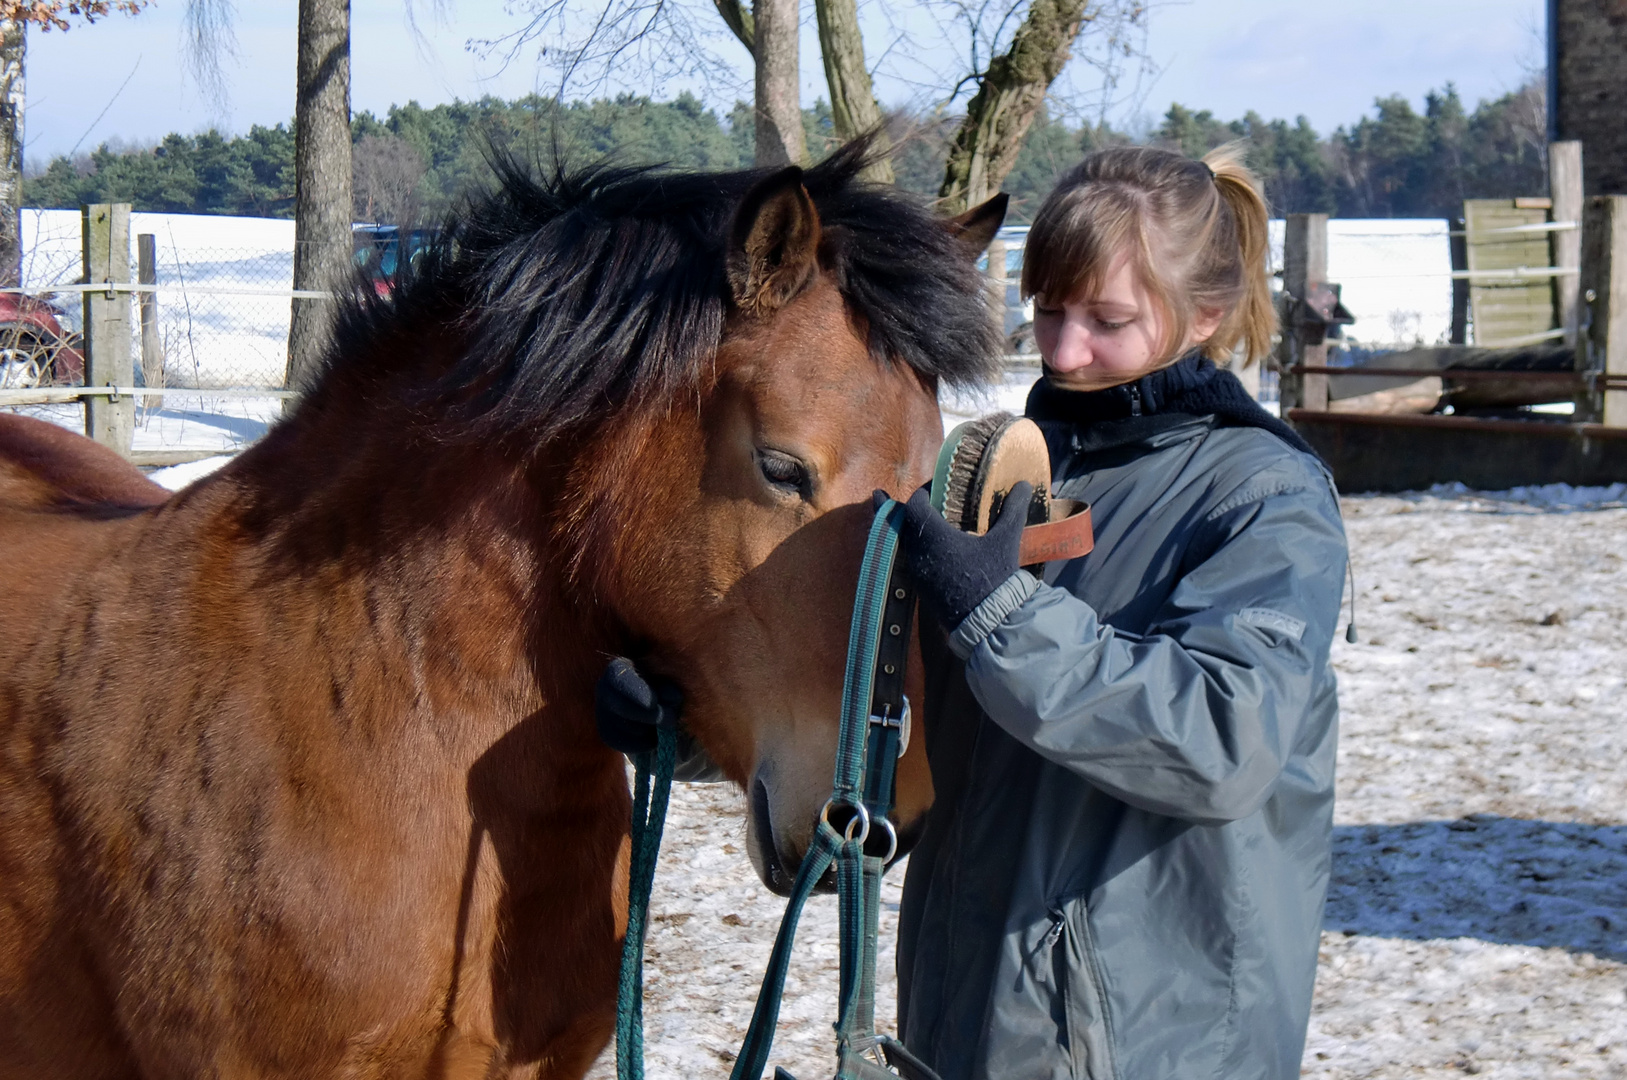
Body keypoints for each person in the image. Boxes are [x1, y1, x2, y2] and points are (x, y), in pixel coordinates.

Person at [890, 144, 1348, 1080]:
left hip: (1143, 1038)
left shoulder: (1265, 496)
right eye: (1047, 310)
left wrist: (1002, 616)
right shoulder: (1010, 466)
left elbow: (1224, 740)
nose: (1061, 351)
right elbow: (896, 701)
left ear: (1203, 317)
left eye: (1106, 319)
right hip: (965, 1013)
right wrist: (687, 716)